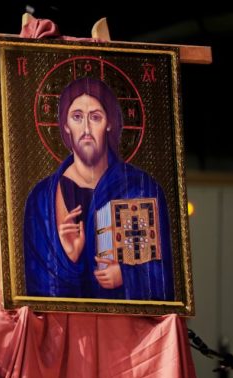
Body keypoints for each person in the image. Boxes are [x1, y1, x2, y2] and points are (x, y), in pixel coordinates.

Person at [23, 77, 174, 301]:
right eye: (77, 117)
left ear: (109, 123)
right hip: (66, 324)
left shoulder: (140, 188)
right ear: (65, 125)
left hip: (126, 323)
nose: (86, 129)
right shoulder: (42, 200)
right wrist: (69, 259)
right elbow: (35, 292)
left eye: (95, 117)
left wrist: (126, 275)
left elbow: (164, 279)